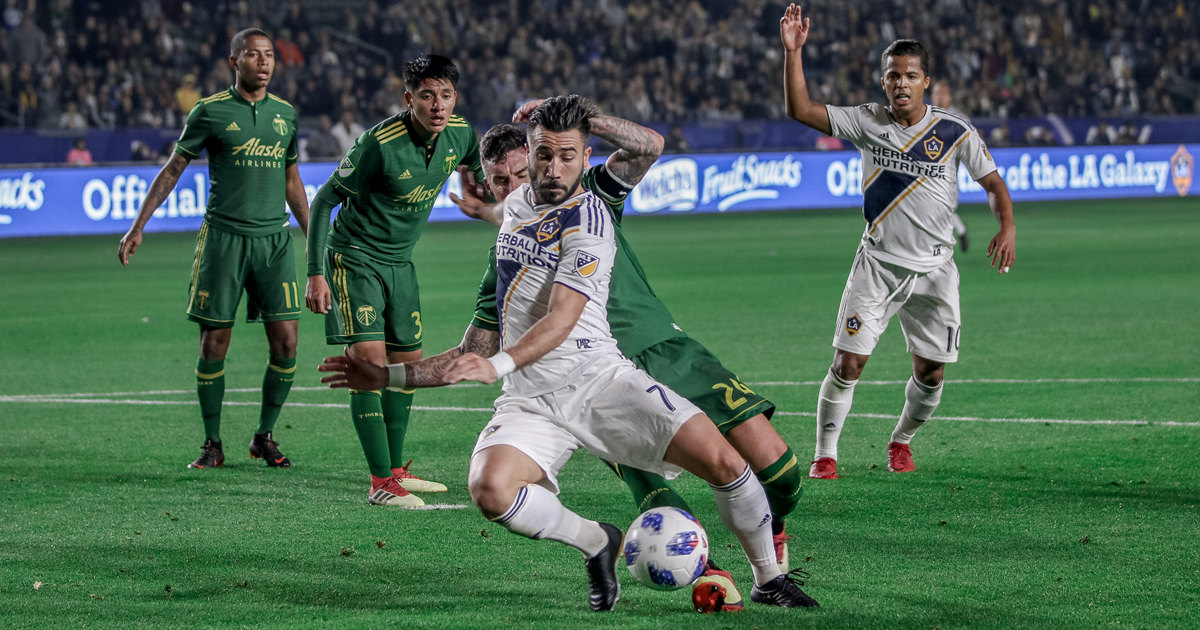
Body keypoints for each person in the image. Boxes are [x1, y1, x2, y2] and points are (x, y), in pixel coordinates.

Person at [319, 95, 819, 611]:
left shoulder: (592, 217)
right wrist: (386, 377)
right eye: (537, 159)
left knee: (726, 462)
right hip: (532, 399)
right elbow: (472, 346)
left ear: (584, 158)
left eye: (565, 156)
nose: (546, 170)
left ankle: (766, 577)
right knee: (490, 490)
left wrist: (496, 365)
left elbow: (561, 317)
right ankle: (598, 542)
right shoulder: (512, 216)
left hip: (602, 379)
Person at [451, 120, 809, 612]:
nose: (513, 188)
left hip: (663, 347)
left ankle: (770, 535)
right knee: (665, 503)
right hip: (598, 380)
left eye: (520, 173)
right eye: (500, 182)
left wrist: (579, 113)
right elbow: (478, 341)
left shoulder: (590, 197)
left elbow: (649, 146)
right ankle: (712, 575)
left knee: (780, 471)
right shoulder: (505, 255)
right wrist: (417, 369)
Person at [779, 5, 1016, 478]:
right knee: (848, 362)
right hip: (878, 265)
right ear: (883, 81)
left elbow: (993, 184)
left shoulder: (954, 130)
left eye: (910, 75)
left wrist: (1007, 226)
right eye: (893, 76)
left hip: (934, 271)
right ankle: (826, 454)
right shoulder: (866, 121)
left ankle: (901, 441)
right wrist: (794, 53)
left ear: (926, 81)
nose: (901, 83)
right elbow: (799, 110)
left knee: (931, 374)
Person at [117, 28, 310, 470]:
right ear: (234, 61)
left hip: (273, 242)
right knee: (214, 343)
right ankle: (212, 443)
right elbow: (172, 170)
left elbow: (292, 183)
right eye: (253, 55)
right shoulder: (210, 111)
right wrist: (137, 226)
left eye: (268, 55)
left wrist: (315, 235)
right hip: (224, 240)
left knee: (287, 342)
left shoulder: (286, 115)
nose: (263, 62)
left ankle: (264, 435)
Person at [304, 54, 485, 508]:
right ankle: (380, 481)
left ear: (455, 98)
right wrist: (315, 274)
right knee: (368, 362)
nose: (437, 105)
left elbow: (477, 168)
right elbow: (324, 202)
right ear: (409, 99)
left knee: (407, 364)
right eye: (427, 95)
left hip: (401, 263)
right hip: (355, 259)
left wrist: (484, 190)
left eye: (445, 95)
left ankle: (398, 469)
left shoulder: (461, 134)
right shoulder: (377, 144)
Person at [931, 80, 971, 252]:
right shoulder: (924, 116)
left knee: (943, 209)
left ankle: (959, 233)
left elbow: (969, 145)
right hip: (928, 172)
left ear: (949, 97)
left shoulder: (959, 119)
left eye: (943, 93)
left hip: (950, 173)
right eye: (937, 94)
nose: (940, 97)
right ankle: (957, 234)